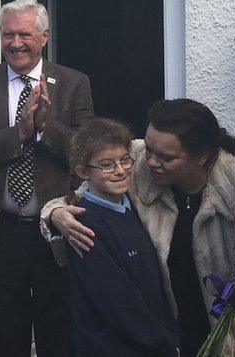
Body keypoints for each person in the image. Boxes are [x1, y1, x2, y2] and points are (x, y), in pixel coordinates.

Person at [46, 98, 235, 357]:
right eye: (148, 149)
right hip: (181, 332)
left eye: (166, 157)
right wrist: (55, 213)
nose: (151, 162)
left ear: (201, 157)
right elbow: (87, 192)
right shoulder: (133, 162)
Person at [0, 0, 93, 357]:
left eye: (25, 34)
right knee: (2, 339)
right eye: (7, 35)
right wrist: (20, 133)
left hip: (55, 233)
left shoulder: (74, 84)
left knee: (58, 336)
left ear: (44, 36)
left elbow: (86, 153)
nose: (15, 43)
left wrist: (45, 127)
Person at [63, 118, 180, 356]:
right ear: (83, 171)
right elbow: (116, 301)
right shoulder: (85, 224)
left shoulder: (134, 209)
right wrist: (163, 344)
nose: (119, 170)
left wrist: (171, 335)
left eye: (124, 160)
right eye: (106, 164)